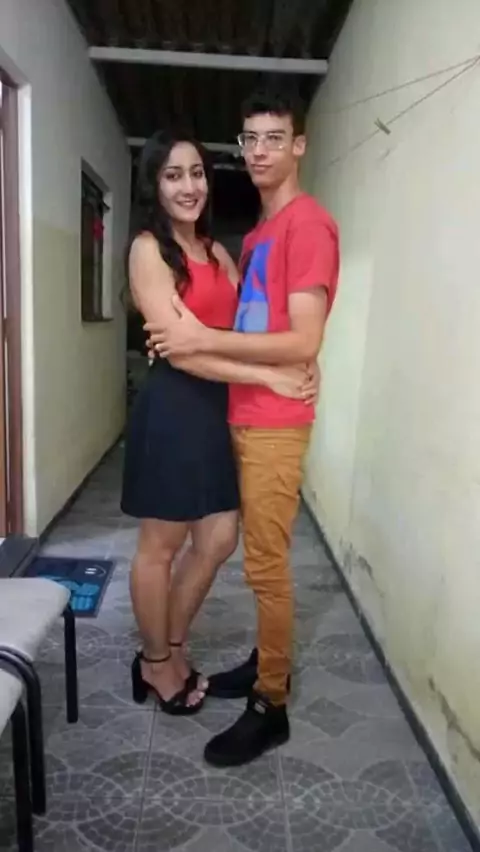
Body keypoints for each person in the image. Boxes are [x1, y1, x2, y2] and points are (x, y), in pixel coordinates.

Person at [146, 90, 340, 761]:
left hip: (275, 423)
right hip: (242, 413)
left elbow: (303, 339)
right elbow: (256, 328)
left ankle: (271, 702)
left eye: (274, 137)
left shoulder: (308, 225)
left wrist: (202, 339)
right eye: (249, 138)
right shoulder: (258, 236)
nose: (259, 151)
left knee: (265, 565)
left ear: (298, 146)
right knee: (250, 555)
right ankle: (266, 660)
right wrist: (189, 342)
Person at [121, 129, 317, 717]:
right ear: (155, 186)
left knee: (218, 538)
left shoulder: (216, 252)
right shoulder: (148, 250)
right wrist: (266, 376)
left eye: (197, 173)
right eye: (173, 175)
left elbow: (235, 330)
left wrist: (294, 356)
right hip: (175, 407)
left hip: (216, 409)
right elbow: (181, 354)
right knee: (161, 545)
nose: (189, 186)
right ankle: (156, 663)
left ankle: (173, 644)